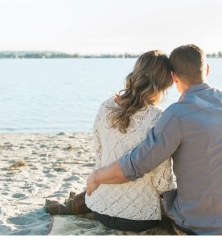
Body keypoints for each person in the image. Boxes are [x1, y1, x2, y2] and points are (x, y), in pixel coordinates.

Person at [86, 44, 222, 235]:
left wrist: (97, 176)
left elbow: (137, 165)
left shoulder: (176, 115)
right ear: (207, 69)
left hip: (198, 223)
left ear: (174, 77)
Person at [46, 50, 175, 232]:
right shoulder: (159, 117)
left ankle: (74, 204)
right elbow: (162, 182)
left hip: (100, 209)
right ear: (167, 81)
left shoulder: (106, 105)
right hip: (140, 219)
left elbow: (100, 156)